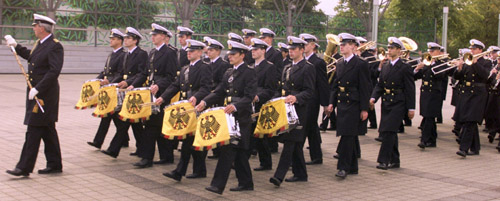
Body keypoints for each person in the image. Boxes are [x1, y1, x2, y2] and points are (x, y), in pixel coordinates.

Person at [5, 14, 63, 176]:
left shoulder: (55, 46)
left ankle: (24, 167)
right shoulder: (40, 44)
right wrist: (16, 46)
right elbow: (32, 58)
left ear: (42, 28)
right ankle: (55, 164)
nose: (33, 28)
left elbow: (54, 71)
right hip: (36, 92)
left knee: (34, 129)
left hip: (44, 96)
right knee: (47, 129)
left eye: (35, 25)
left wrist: (38, 89)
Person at [195, 40, 256, 195]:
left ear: (242, 55)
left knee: (228, 150)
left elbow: (249, 97)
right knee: (240, 152)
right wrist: (204, 101)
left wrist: (236, 106)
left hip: (240, 117)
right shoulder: (229, 72)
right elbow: (219, 91)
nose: (230, 57)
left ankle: (218, 185)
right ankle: (246, 182)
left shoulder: (249, 72)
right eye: (229, 54)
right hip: (229, 117)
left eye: (233, 54)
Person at [127, 24, 178, 168]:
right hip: (152, 93)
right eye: (152, 35)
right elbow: (145, 73)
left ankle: (147, 158)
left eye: (155, 35)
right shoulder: (152, 52)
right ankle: (166, 156)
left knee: (151, 126)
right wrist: (133, 85)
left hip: (162, 93)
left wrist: (159, 85)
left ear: (163, 36)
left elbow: (171, 76)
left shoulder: (169, 53)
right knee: (158, 125)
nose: (153, 37)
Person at [160, 39, 212, 181]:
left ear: (200, 52)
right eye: (188, 51)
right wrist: (163, 98)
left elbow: (206, 87)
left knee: (188, 141)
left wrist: (196, 97)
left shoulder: (205, 67)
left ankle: (179, 171)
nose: (189, 53)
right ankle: (200, 170)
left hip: (196, 108)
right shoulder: (184, 69)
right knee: (191, 140)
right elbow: (175, 86)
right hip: (186, 108)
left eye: (192, 51)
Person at [269, 36, 315, 187]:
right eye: (289, 49)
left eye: (294, 49)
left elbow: (309, 91)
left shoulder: (308, 67)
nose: (291, 52)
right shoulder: (287, 67)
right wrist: (273, 101)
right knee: (294, 144)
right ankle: (301, 174)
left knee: (290, 143)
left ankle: (278, 176)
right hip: (286, 110)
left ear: (302, 50)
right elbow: (281, 89)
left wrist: (296, 98)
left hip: (299, 111)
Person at [326, 33, 370, 178]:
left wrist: (364, 109)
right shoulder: (339, 63)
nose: (342, 47)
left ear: (352, 46)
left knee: (347, 135)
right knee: (348, 134)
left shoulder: (361, 64)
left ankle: (343, 167)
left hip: (354, 104)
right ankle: (353, 167)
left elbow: (365, 88)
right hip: (342, 103)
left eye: (345, 44)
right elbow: (335, 86)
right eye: (341, 45)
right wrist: (331, 103)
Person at [101, 27, 147, 158]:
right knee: (135, 123)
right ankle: (141, 149)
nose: (125, 40)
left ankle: (113, 149)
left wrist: (130, 84)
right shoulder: (127, 54)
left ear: (135, 40)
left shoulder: (141, 54)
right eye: (125, 38)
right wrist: (113, 83)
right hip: (126, 90)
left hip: (135, 90)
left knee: (127, 121)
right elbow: (122, 73)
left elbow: (142, 73)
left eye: (128, 38)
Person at [370, 37, 415, 170]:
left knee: (388, 131)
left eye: (392, 48)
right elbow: (380, 85)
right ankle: (395, 160)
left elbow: (410, 89)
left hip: (398, 103)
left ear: (399, 51)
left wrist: (411, 108)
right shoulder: (385, 66)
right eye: (389, 48)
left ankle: (383, 160)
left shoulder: (405, 67)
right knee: (390, 132)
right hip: (386, 102)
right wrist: (373, 98)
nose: (389, 50)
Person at [87, 28, 127, 150]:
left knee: (110, 115)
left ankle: (100, 141)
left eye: (113, 39)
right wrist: (97, 80)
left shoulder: (123, 55)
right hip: (108, 88)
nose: (111, 41)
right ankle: (119, 139)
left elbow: (121, 73)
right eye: (111, 38)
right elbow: (105, 71)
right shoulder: (112, 54)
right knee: (109, 115)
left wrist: (111, 82)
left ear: (120, 41)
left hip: (114, 88)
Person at [454, 39, 491, 157]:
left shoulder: (486, 62)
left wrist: (476, 63)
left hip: (478, 94)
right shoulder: (467, 61)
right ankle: (475, 148)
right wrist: (459, 69)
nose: (472, 51)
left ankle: (463, 148)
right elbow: (459, 78)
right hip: (466, 94)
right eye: (471, 49)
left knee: (470, 121)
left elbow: (486, 76)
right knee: (469, 121)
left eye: (474, 49)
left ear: (480, 50)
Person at [249, 38, 279, 171]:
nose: (253, 52)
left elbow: (270, 89)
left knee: (260, 135)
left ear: (263, 50)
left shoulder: (269, 67)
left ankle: (266, 162)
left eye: (256, 49)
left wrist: (258, 96)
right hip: (249, 104)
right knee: (251, 133)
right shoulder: (250, 66)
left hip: (261, 104)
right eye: (252, 49)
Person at [299, 33, 329, 165]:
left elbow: (323, 84)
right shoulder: (302, 61)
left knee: (306, 127)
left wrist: (325, 104)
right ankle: (317, 156)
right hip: (303, 98)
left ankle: (297, 157)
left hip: (312, 99)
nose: (304, 47)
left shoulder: (318, 62)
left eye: (306, 44)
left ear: (313, 45)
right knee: (311, 128)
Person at [413, 42, 446, 149]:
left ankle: (424, 140)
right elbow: (417, 76)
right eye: (429, 51)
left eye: (432, 51)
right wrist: (417, 69)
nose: (430, 53)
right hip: (425, 92)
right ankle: (432, 140)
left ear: (438, 51)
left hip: (434, 93)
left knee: (428, 117)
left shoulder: (441, 63)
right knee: (429, 117)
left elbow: (440, 76)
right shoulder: (426, 62)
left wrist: (430, 65)